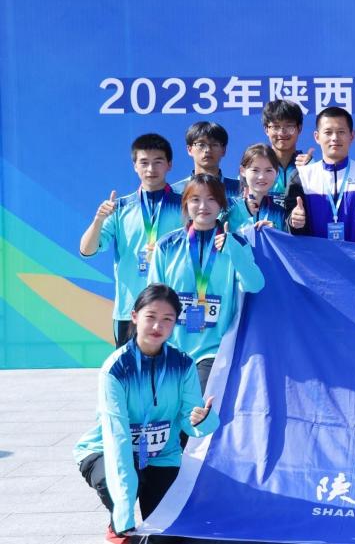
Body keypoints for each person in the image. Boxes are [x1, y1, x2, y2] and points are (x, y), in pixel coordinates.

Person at [74, 284, 219, 544]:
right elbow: (117, 439)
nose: (157, 326)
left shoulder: (183, 364)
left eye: (167, 319)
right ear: (134, 316)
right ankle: (117, 525)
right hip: (108, 452)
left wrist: (203, 421)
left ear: (176, 322)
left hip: (161, 456)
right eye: (150, 316)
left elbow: (190, 423)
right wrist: (123, 508)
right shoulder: (115, 369)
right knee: (120, 491)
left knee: (171, 536)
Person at [148, 174, 264, 392]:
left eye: (211, 199)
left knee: (199, 404)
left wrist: (233, 251)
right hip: (172, 347)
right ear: (185, 204)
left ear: (221, 204)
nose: (203, 206)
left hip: (215, 350)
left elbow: (255, 284)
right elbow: (153, 297)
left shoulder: (236, 243)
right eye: (195, 199)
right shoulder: (167, 245)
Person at [80, 133, 183, 349]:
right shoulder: (119, 208)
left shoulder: (185, 206)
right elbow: (87, 250)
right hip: (130, 311)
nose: (151, 169)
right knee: (130, 369)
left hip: (172, 309)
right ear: (135, 166)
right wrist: (98, 220)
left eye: (158, 162)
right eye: (144, 162)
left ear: (169, 165)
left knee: (172, 368)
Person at [284, 106, 355, 243]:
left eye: (341, 132)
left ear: (352, 136)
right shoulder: (300, 177)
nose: (335, 138)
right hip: (314, 257)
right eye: (328, 132)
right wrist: (295, 222)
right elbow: (289, 225)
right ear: (317, 137)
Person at [262, 99, 314, 209]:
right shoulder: (256, 166)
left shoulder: (309, 166)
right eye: (276, 127)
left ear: (299, 128)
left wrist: (313, 170)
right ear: (266, 129)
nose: (282, 132)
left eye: (289, 126)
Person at [226, 143, 288, 233]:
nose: (262, 177)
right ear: (242, 171)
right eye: (255, 170)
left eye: (268, 170)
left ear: (277, 173)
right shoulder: (228, 205)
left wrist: (275, 232)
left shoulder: (281, 212)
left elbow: (288, 240)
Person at [170, 121, 241, 199]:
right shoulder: (174, 192)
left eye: (214, 145)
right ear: (189, 149)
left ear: (224, 150)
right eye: (201, 144)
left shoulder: (241, 190)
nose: (207, 150)